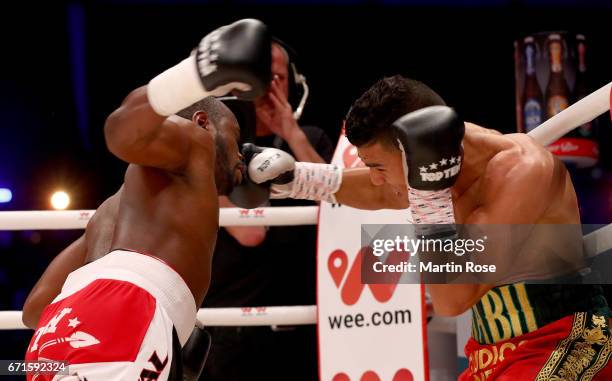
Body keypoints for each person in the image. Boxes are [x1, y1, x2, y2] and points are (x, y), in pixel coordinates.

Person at [244, 75, 612, 380]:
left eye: (377, 166)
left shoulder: (521, 172)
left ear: (412, 151)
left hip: (566, 340)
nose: (374, 179)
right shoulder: (442, 159)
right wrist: (295, 181)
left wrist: (427, 199)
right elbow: (380, 193)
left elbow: (452, 300)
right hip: (488, 357)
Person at [24, 18, 272, 381]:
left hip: (57, 338)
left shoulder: (109, 213)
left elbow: (35, 310)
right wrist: (195, 74)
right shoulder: (194, 140)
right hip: (123, 315)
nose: (239, 159)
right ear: (202, 122)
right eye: (235, 140)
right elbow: (119, 132)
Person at [201, 41, 334, 381]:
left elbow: (338, 200)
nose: (269, 87)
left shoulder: (312, 138)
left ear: (291, 82)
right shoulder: (207, 145)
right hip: (228, 317)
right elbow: (249, 233)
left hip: (304, 315)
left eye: (278, 78)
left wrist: (290, 133)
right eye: (261, 77)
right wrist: (212, 155)